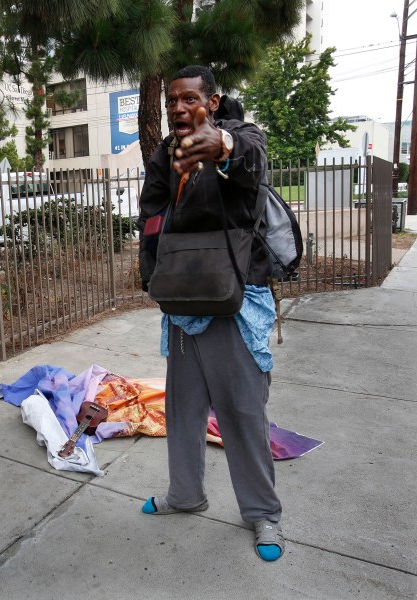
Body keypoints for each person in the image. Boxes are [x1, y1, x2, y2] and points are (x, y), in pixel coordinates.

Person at [137, 65, 285, 562]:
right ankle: (185, 495)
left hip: (234, 297)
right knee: (183, 411)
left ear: (213, 101)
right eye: (172, 101)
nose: (179, 108)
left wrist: (221, 148)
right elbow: (152, 218)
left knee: (243, 414)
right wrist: (152, 276)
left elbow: (251, 161)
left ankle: (263, 512)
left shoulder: (241, 135)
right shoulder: (163, 154)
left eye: (189, 99)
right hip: (182, 298)